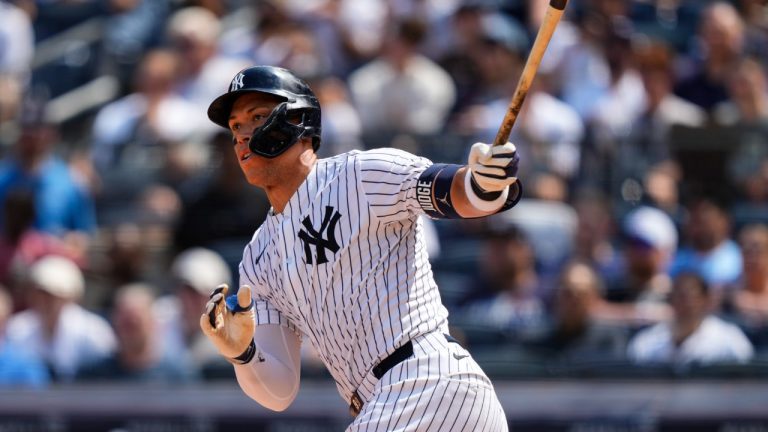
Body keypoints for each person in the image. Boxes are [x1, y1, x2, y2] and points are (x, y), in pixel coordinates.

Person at [199, 66, 520, 430]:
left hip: (427, 382)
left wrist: (484, 183)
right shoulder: (257, 258)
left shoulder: (361, 175)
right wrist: (242, 353)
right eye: (236, 126)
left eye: (256, 117)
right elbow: (279, 392)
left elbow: (458, 192)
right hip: (389, 401)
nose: (242, 135)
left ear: (298, 120)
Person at [627, 272, 754, 366]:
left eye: (691, 297)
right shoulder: (648, 342)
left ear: (706, 301)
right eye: (679, 296)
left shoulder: (729, 340)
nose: (685, 303)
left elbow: (746, 381)